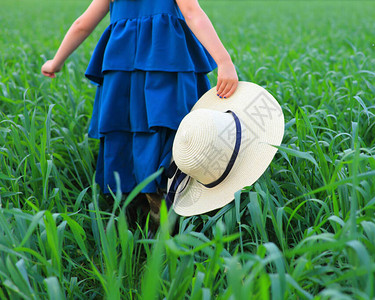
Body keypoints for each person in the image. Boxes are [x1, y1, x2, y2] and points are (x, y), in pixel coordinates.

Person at [41, 0, 238, 228]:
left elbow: (82, 24)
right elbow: (193, 13)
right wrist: (224, 61)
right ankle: (177, 199)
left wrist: (56, 62)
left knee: (128, 129)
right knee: (174, 126)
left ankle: (141, 202)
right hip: (167, 62)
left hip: (124, 67)